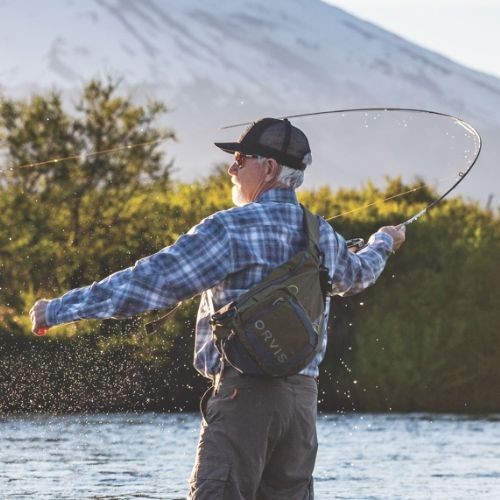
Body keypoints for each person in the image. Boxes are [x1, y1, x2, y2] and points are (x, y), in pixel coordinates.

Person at [30, 117, 405, 499]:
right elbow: (358, 275)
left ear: (269, 168)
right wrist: (383, 242)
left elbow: (151, 282)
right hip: (300, 409)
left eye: (241, 160)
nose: (231, 169)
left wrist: (59, 309)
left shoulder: (229, 229)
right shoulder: (320, 232)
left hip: (244, 399)